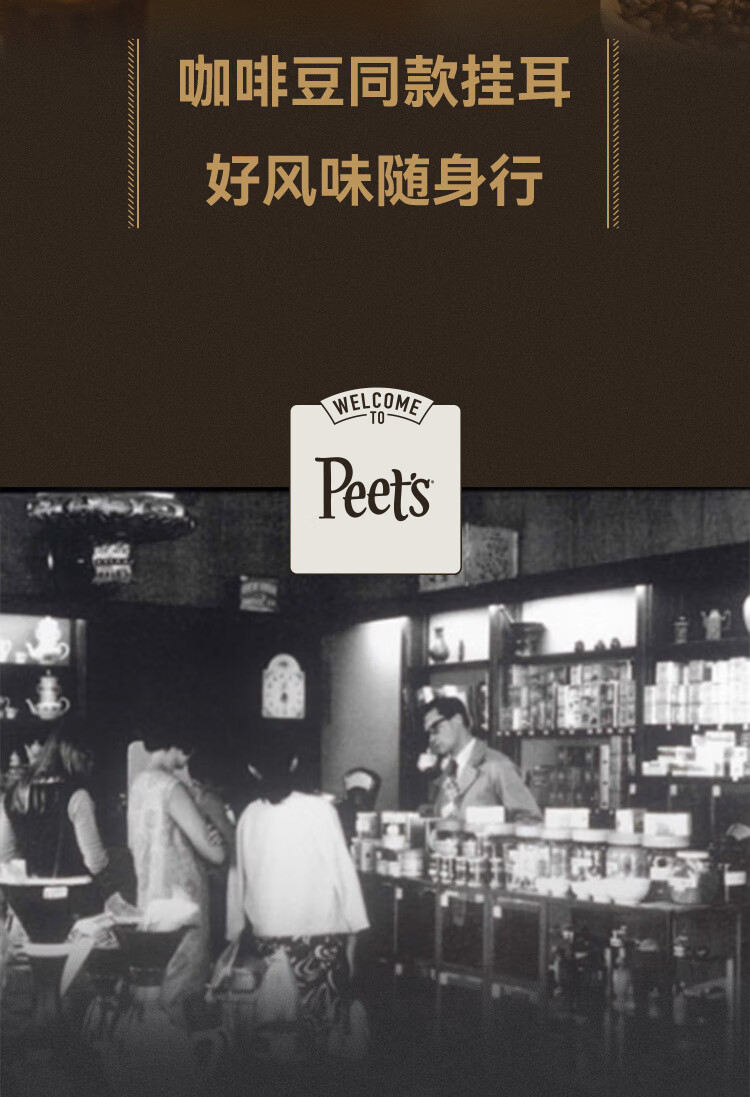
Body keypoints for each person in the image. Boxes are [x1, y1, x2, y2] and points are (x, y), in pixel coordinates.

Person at [226, 748, 369, 1056]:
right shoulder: (320, 810)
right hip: (318, 945)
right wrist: (355, 933)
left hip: (268, 946)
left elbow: (237, 882)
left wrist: (234, 934)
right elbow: (343, 872)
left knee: (274, 1043)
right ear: (294, 763)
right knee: (323, 1042)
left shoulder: (249, 815)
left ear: (253, 769)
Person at [127, 728, 227, 1026]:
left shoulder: (139, 784)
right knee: (183, 992)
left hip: (150, 901)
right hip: (184, 904)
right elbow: (216, 854)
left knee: (157, 991)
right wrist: (214, 832)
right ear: (178, 743)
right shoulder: (172, 788)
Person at [0, 721, 117, 903]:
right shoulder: (78, 796)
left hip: (30, 901)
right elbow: (95, 862)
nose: (92, 763)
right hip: (75, 899)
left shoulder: (12, 795)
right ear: (77, 754)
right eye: (88, 756)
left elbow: (5, 855)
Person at [421, 696, 542, 823]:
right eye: (429, 733)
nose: (431, 739)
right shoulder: (449, 772)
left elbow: (531, 820)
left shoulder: (496, 765)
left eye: (435, 729)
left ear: (457, 719)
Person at [336, 766, 381, 845]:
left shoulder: (371, 815)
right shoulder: (340, 810)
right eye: (354, 793)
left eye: (361, 794)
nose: (358, 798)